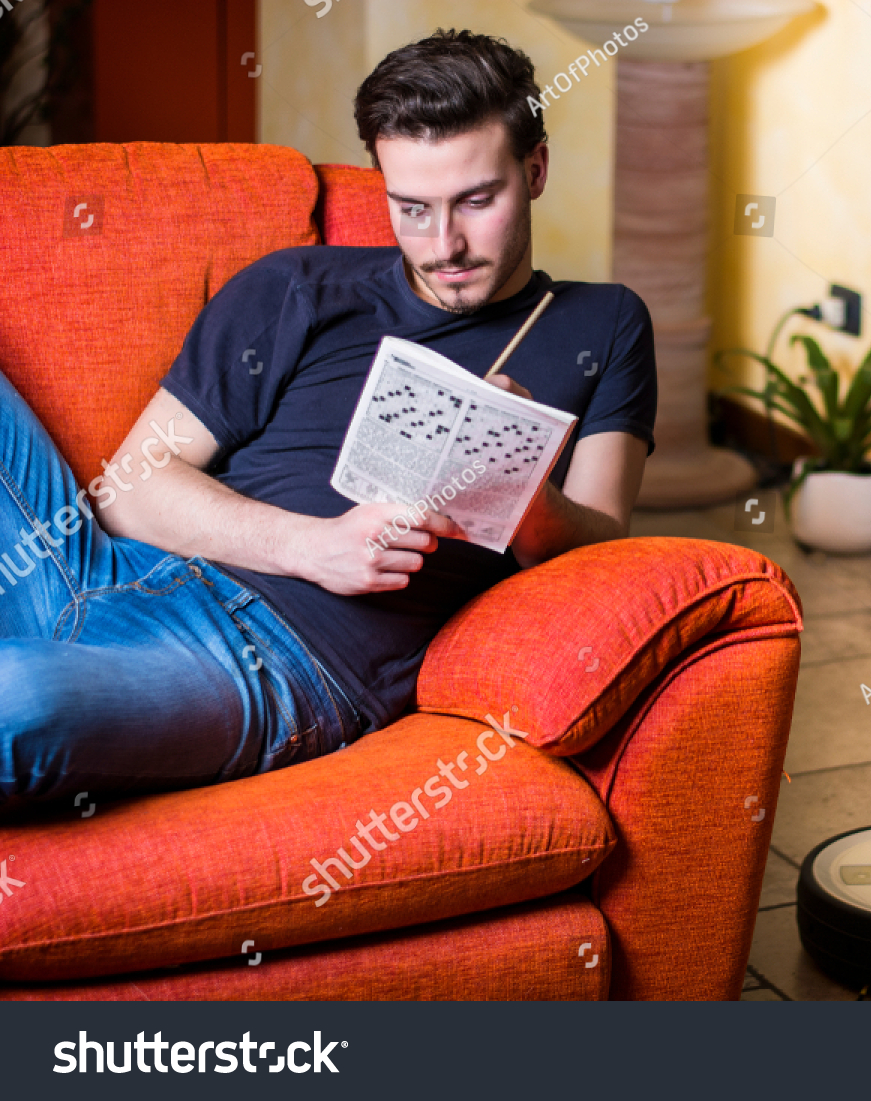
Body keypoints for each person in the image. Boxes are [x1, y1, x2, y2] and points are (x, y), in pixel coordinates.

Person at [0, 29, 655, 816]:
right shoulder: (298, 284)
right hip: (102, 568)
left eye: (477, 202)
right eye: (412, 209)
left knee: (17, 695)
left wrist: (516, 481)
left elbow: (607, 551)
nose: (444, 244)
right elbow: (127, 492)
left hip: (279, 658)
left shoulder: (603, 323)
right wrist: (314, 545)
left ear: (536, 169)